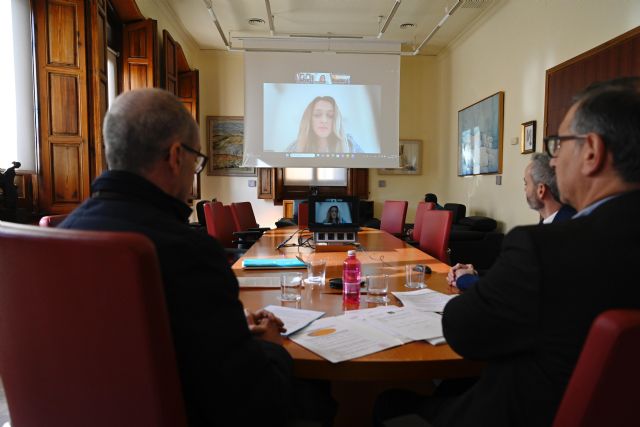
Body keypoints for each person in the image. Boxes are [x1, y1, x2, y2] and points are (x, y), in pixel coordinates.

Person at [59, 88, 334, 426]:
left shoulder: (63, 237)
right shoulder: (188, 252)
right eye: (196, 161)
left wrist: (232, 332)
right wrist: (273, 346)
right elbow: (257, 403)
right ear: (176, 156)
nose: (193, 174)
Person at [375, 77, 640, 426]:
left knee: (388, 402)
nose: (555, 162)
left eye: (559, 146)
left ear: (591, 152)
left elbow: (463, 331)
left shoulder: (545, 249)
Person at [448, 153, 576, 290]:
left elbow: (514, 288)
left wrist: (464, 280)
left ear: (541, 190)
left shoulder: (564, 231)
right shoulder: (552, 222)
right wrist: (474, 272)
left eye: (526, 183)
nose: (524, 189)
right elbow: (516, 275)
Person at [286, 96, 363, 153]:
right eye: (317, 114)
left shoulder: (350, 144)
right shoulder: (294, 147)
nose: (324, 120)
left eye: (330, 115)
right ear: (309, 120)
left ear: (336, 120)